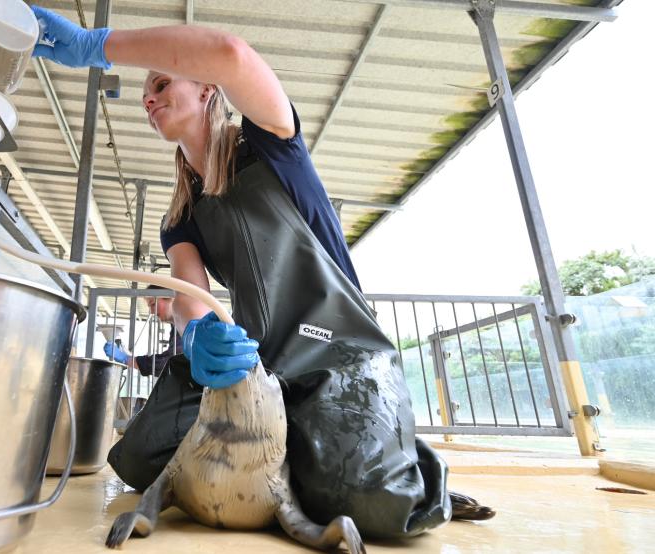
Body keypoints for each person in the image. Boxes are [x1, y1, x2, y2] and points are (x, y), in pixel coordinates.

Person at [30, 6, 493, 540]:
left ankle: (408, 465)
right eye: (144, 97)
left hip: (337, 350)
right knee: (143, 455)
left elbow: (231, 54)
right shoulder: (179, 215)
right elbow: (188, 291)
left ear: (207, 90)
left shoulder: (273, 144)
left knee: (369, 501)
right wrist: (198, 331)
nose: (149, 100)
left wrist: (96, 46)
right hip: (263, 362)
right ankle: (323, 453)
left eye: (159, 84)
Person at [103, 284, 182, 378]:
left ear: (171, 297)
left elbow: (169, 363)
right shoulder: (177, 326)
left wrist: (126, 359)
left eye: (153, 304)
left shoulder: (186, 323)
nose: (152, 312)